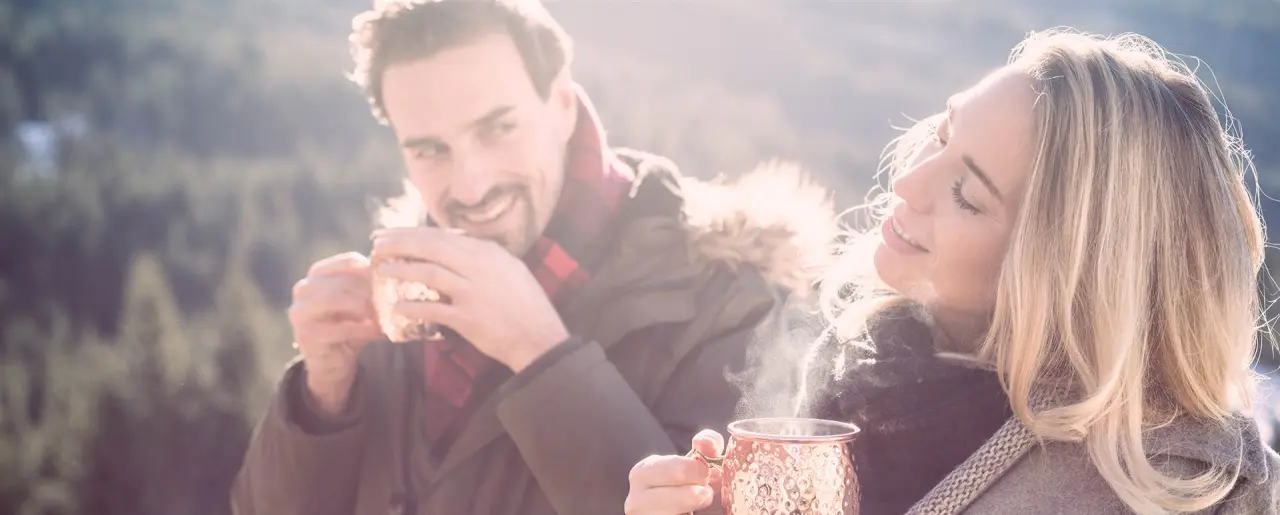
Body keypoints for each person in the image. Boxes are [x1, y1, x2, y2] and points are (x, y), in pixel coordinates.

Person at [624, 28, 1280, 515]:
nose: (907, 182)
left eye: (968, 194)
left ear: (1060, 275)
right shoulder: (861, 370)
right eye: (943, 137)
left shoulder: (1171, 488)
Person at [229, 1, 838, 514]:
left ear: (563, 106)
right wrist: (321, 403)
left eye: (498, 128)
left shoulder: (732, 299)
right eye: (431, 150)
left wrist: (542, 354)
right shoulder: (399, 303)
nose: (470, 187)